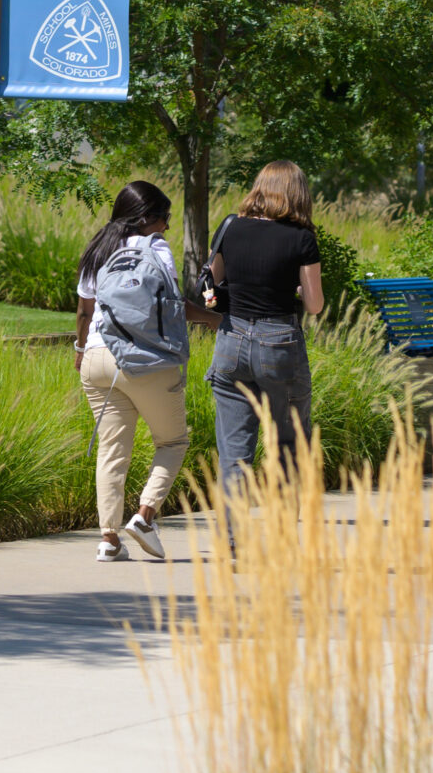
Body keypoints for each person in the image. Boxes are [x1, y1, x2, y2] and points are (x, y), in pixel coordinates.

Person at [75, 179, 190, 564]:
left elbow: (84, 311)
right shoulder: (156, 248)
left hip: (96, 359)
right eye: (164, 218)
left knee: (111, 450)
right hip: (146, 361)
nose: (167, 227)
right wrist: (214, 318)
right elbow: (172, 302)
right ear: (146, 218)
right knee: (172, 442)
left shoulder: (98, 248)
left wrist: (79, 349)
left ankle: (108, 540)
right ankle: (144, 517)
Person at [206, 160, 324, 492]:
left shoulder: (230, 227)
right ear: (297, 193)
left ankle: (233, 541)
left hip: (231, 341)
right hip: (279, 343)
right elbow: (315, 305)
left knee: (234, 454)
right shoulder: (301, 237)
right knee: (288, 444)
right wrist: (298, 290)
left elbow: (210, 284)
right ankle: (284, 534)